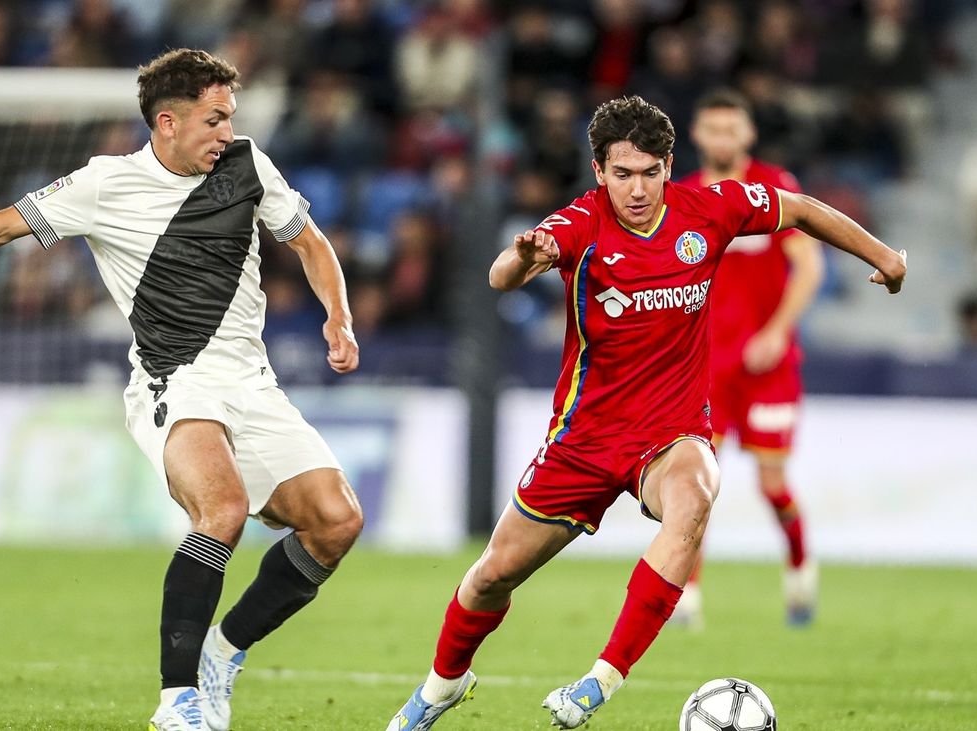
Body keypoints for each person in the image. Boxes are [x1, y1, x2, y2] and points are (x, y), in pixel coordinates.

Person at [0, 48, 364, 731]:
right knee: (223, 509)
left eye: (229, 117)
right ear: (166, 123)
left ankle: (220, 652)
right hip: (176, 380)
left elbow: (311, 242)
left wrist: (339, 316)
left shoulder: (248, 165)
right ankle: (177, 702)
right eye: (214, 119)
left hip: (253, 382)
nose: (226, 132)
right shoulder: (103, 185)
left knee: (336, 519)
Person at [384, 95, 905, 730]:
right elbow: (500, 277)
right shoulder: (580, 223)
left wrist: (883, 254)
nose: (637, 188)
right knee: (492, 577)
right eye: (622, 173)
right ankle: (441, 687)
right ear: (599, 172)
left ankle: (600, 681)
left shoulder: (709, 209)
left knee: (694, 498)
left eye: (650, 172)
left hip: (672, 429)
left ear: (668, 166)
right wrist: (527, 255)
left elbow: (799, 209)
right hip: (584, 439)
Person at [676, 89, 824, 628]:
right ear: (697, 135)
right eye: (712, 129)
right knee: (695, 486)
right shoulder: (681, 198)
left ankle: (801, 569)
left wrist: (778, 331)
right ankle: (686, 598)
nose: (722, 139)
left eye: (730, 129)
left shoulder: (776, 188)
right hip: (706, 368)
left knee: (772, 484)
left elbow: (809, 267)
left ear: (748, 134)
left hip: (767, 365)